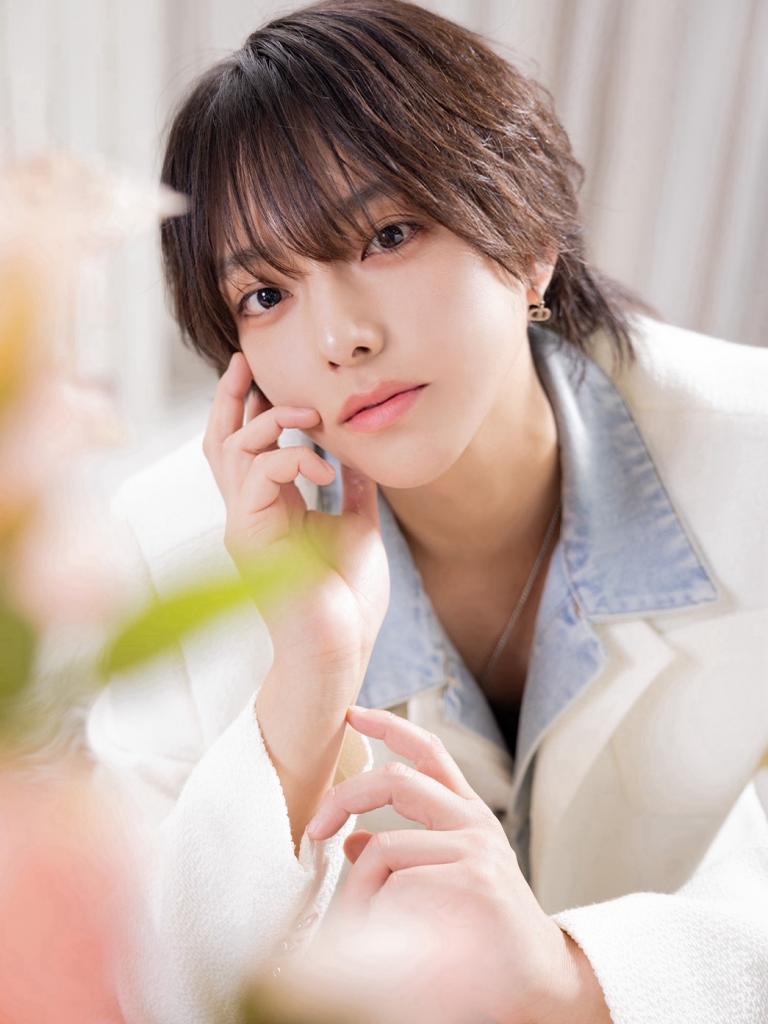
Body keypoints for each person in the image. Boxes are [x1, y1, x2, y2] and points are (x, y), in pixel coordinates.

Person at [85, 0, 768, 1021]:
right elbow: (151, 990)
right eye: (265, 295)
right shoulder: (168, 547)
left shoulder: (751, 457)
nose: (342, 337)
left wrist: (574, 977)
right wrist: (309, 670)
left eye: (388, 235)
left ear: (529, 241)